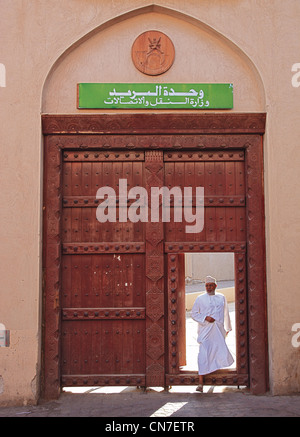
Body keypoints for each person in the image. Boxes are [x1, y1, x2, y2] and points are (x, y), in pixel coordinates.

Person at [191, 275, 234, 392]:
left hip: (218, 330)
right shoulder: (200, 299)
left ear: (215, 286)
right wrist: (205, 317)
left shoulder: (221, 297)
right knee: (203, 355)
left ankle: (214, 378)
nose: (208, 288)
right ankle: (200, 383)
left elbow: (226, 313)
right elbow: (193, 314)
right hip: (205, 331)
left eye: (210, 285)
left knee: (218, 353)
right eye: (206, 286)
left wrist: (227, 328)